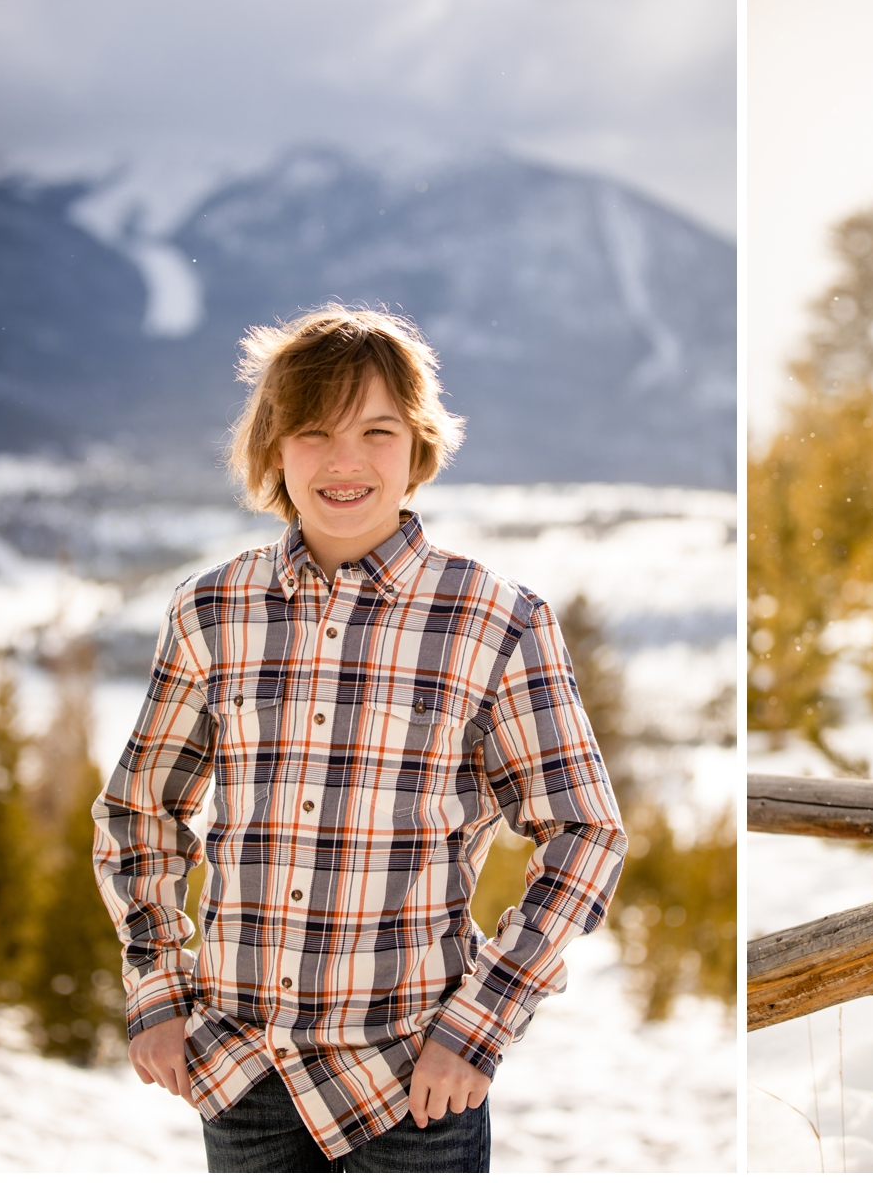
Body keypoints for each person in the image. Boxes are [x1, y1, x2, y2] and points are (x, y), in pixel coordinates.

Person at [93, 305, 627, 1173]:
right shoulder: (210, 613)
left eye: (378, 431)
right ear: (273, 450)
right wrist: (157, 990)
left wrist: (480, 1024)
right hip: (242, 1080)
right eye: (313, 432)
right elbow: (140, 811)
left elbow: (587, 834)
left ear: (418, 449)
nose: (346, 463)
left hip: (414, 1085)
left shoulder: (495, 620)